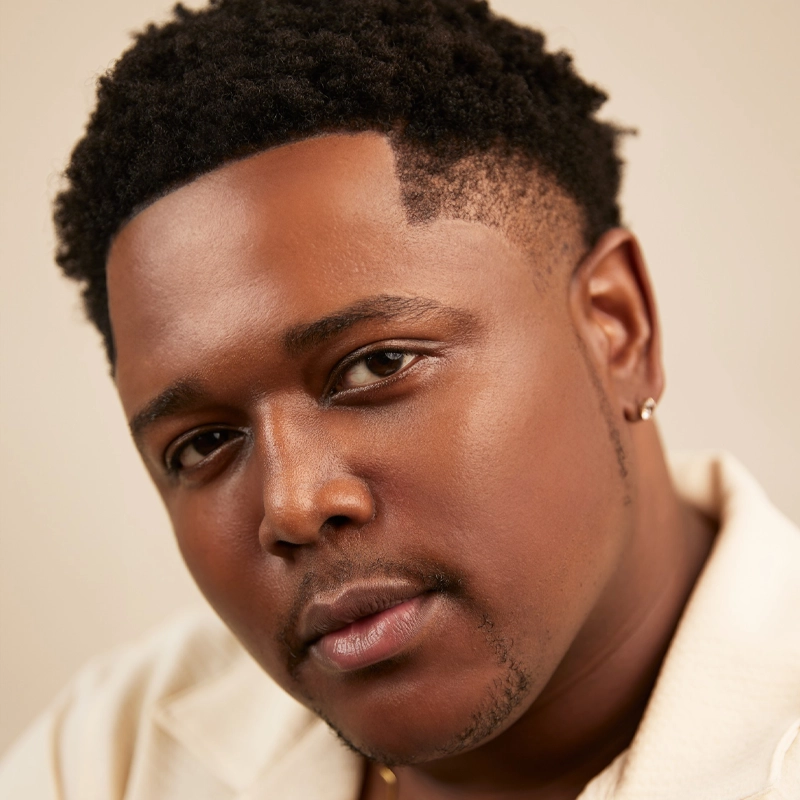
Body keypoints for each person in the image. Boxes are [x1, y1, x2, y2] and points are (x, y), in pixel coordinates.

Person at [1, 0, 798, 798]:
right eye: (203, 444)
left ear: (616, 330)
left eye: (377, 364)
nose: (293, 504)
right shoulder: (109, 755)